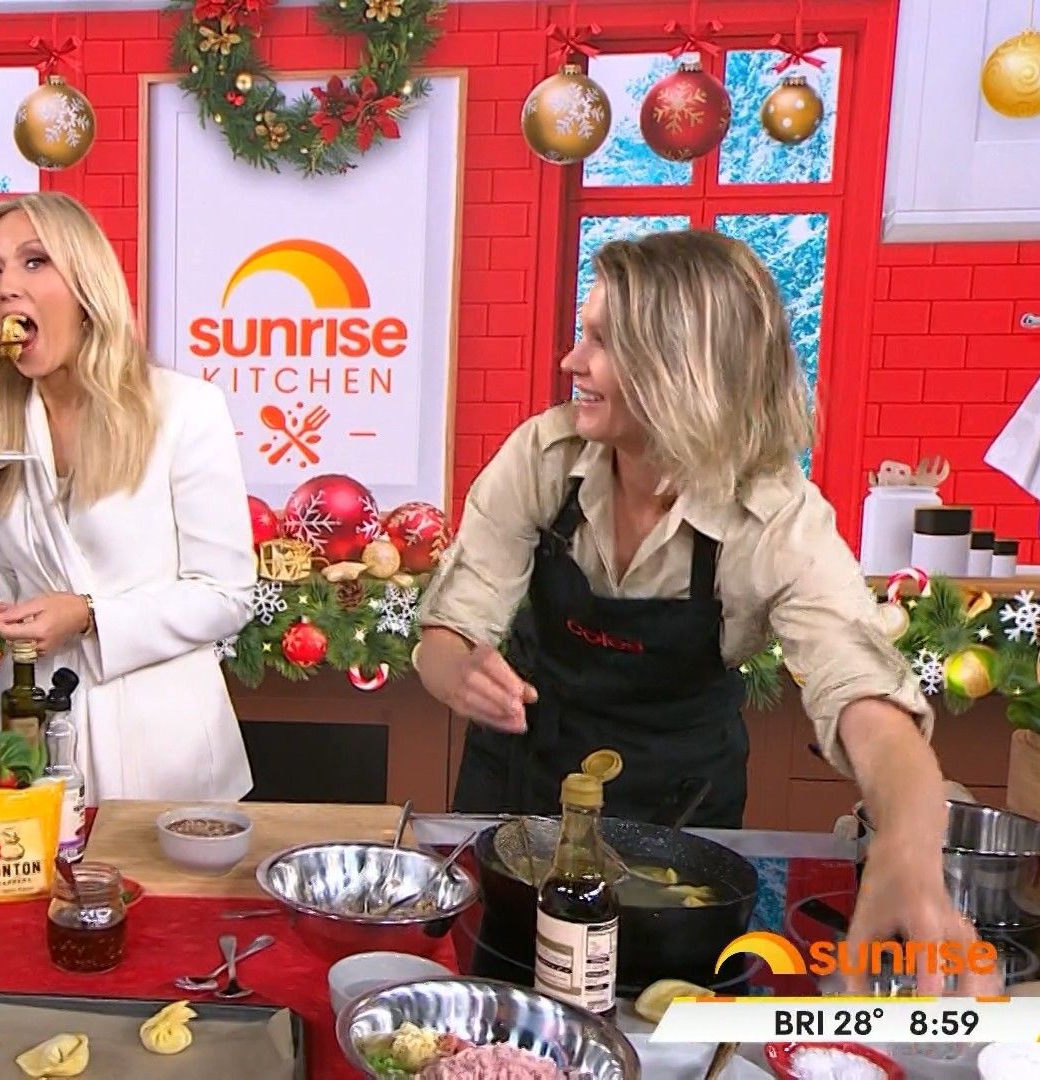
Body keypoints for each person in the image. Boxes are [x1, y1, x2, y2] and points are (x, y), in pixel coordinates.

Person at [416, 229, 983, 990]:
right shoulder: (542, 459)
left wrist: (908, 847)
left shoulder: (775, 516)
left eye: (602, 341)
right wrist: (453, 668)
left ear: (682, 366)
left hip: (679, 811)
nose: (571, 362)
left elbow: (863, 693)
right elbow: (448, 632)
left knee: (666, 1004)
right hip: (520, 792)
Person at [0, 192, 256, 802]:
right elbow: (6, 570)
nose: (6, 288)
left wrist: (88, 616)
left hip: (162, 750)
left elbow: (226, 594)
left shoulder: (185, 410)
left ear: (87, 288)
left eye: (35, 261)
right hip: (28, 736)